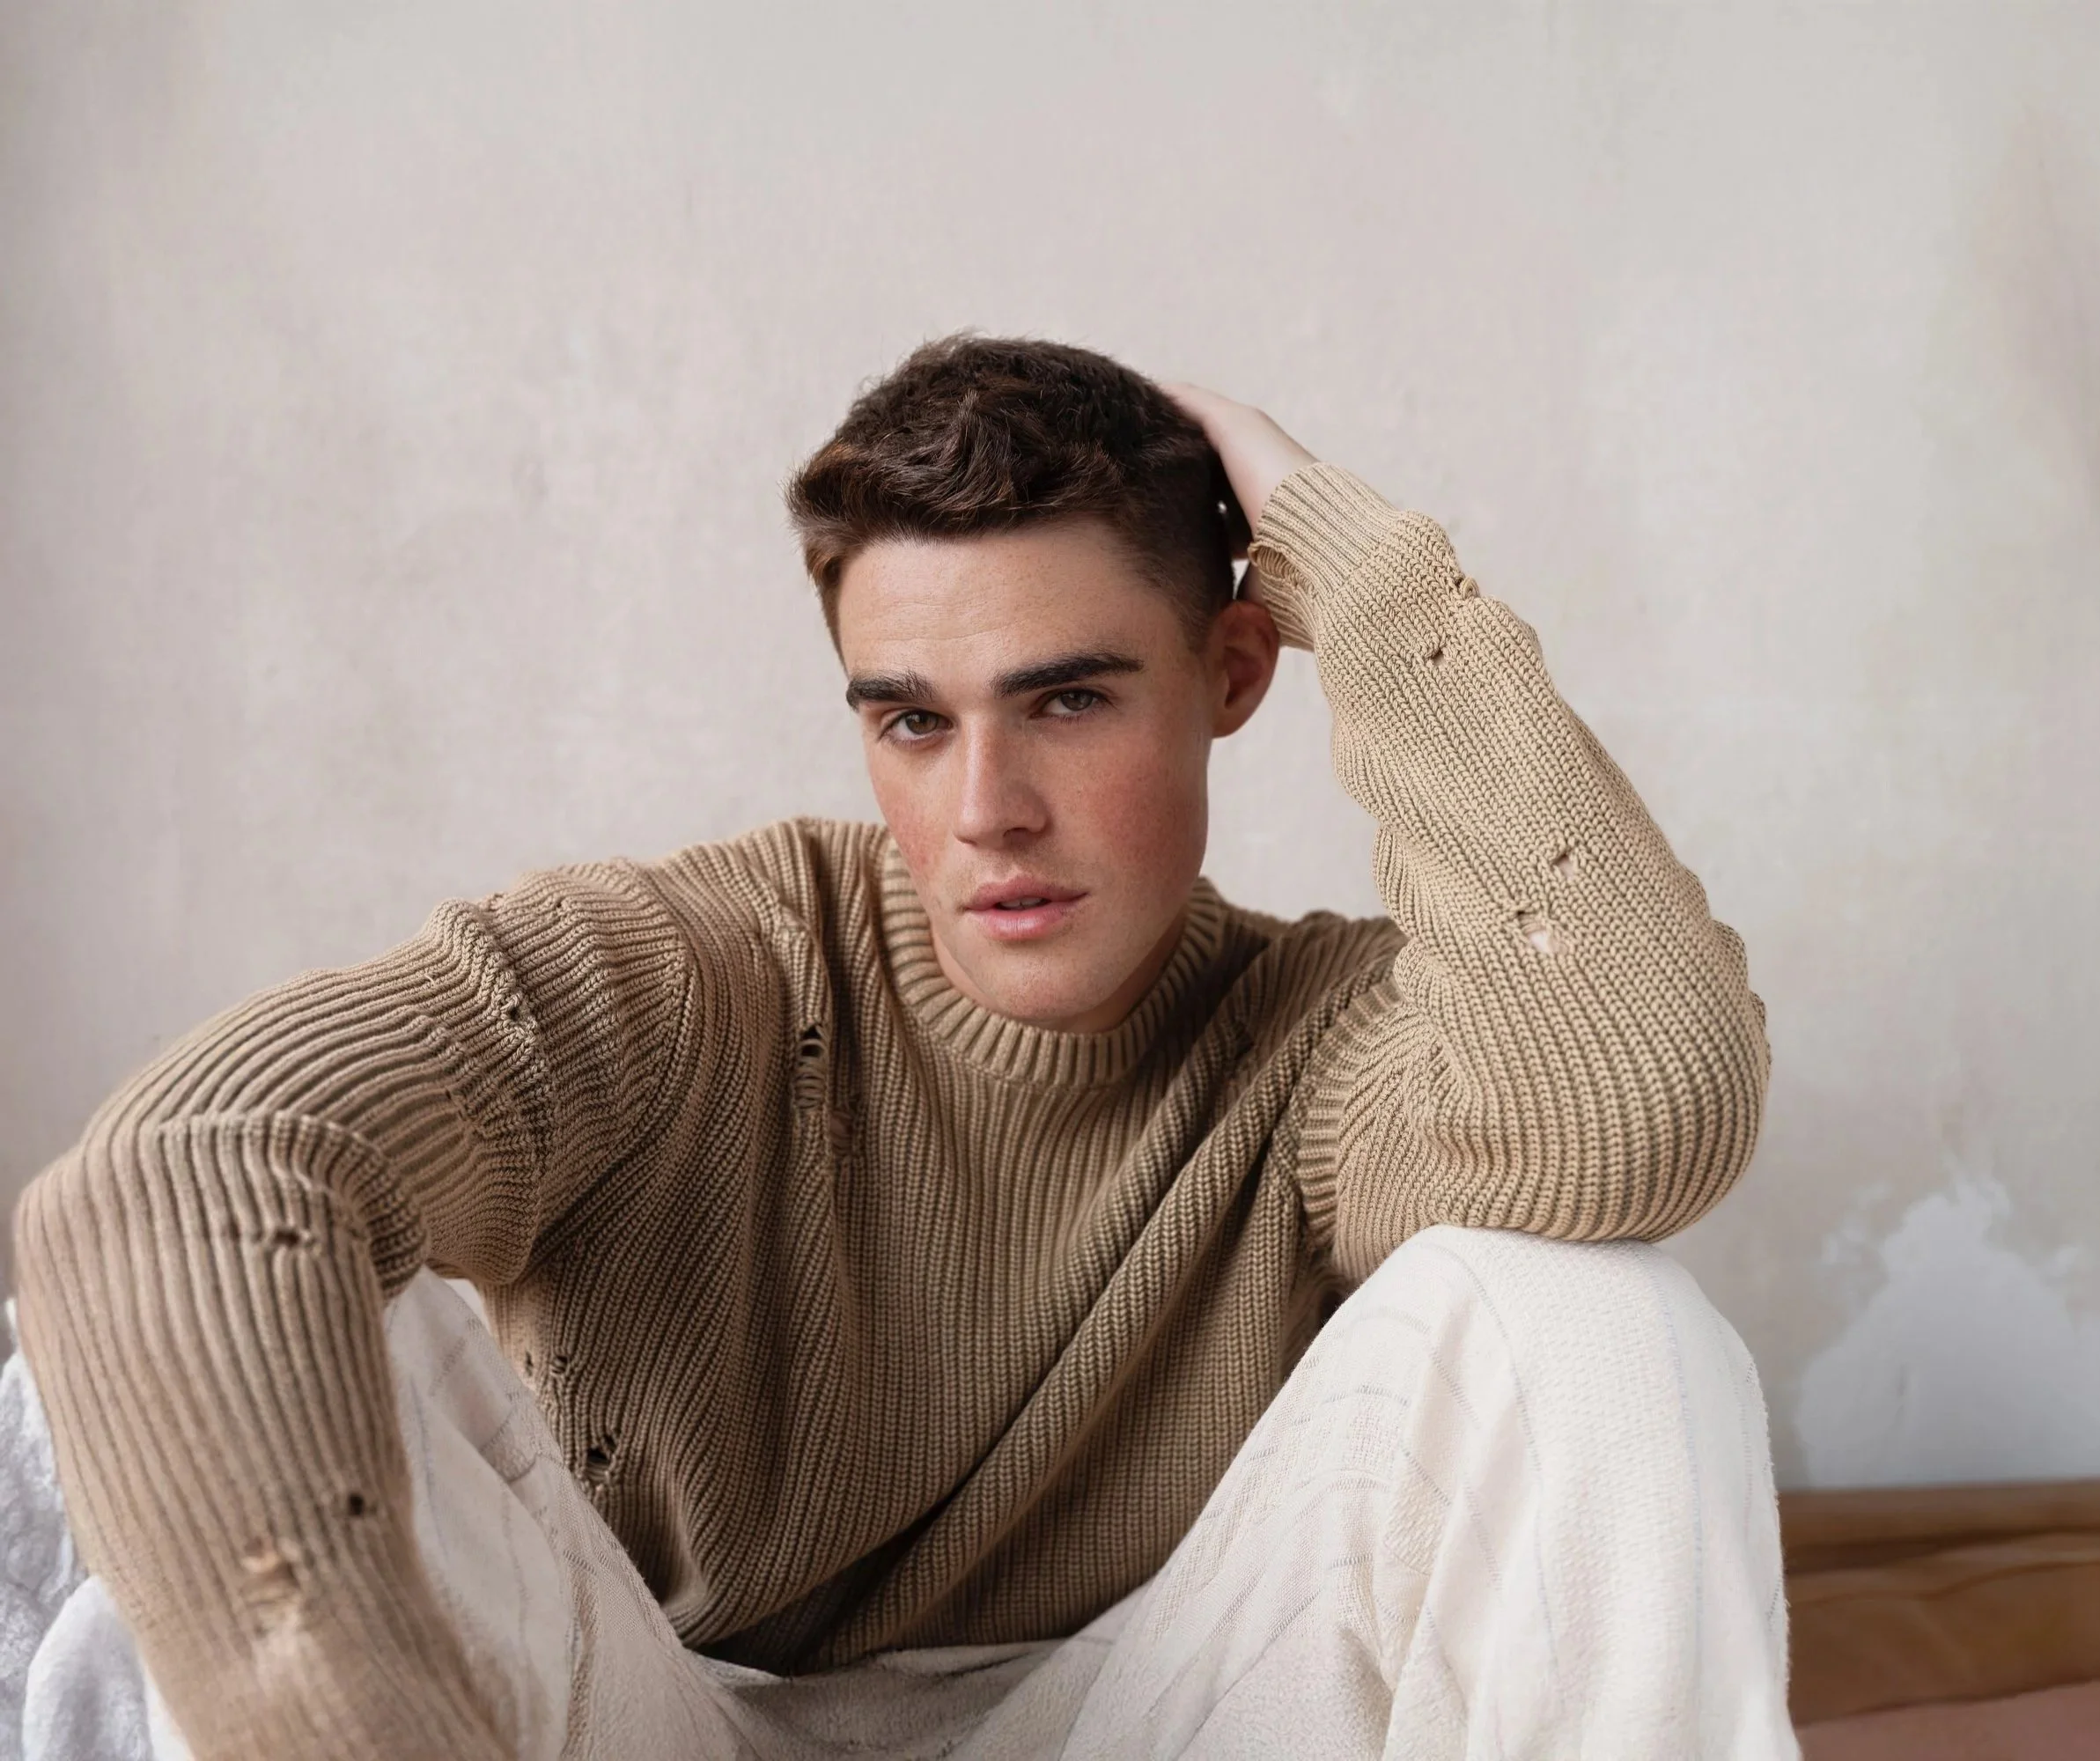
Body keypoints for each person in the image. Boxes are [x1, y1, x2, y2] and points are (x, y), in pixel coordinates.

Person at [8, 337, 1796, 1759]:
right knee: (292, 1343)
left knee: (1595, 1313)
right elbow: (176, 1175)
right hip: (671, 1721)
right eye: (913, 722)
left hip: (1130, 1718)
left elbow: (1651, 1102)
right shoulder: (695, 968)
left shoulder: (1322, 1045)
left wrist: (1376, 585)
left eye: (1068, 699)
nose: (987, 809)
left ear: (1237, 671)